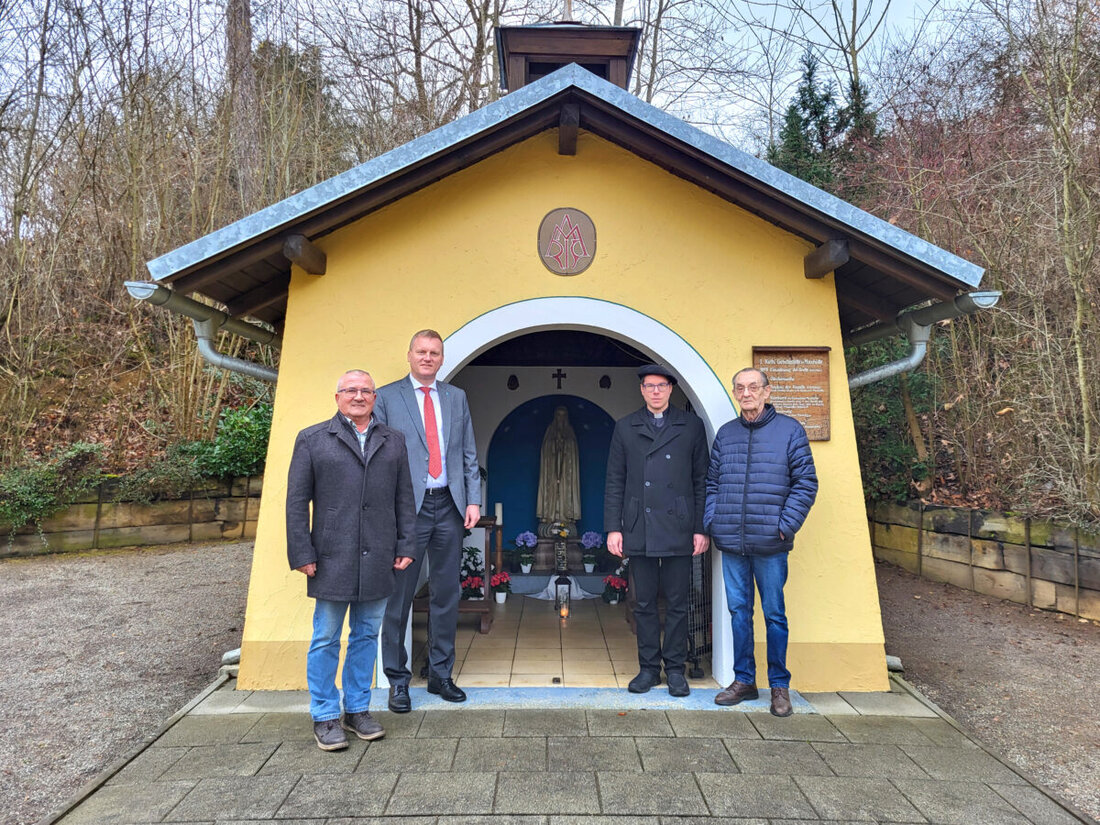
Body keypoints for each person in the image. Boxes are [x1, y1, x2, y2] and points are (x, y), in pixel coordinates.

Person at [286, 369, 417, 751]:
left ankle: (357, 709)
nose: (358, 396)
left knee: (365, 636)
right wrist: (301, 552)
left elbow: (404, 498)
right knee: (325, 638)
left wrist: (406, 544)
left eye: (365, 391)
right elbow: (296, 502)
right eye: (350, 390)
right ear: (337, 396)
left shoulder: (394, 441)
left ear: (375, 398)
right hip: (330, 557)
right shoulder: (312, 439)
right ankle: (325, 715)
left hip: (379, 555)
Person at [375, 329, 481, 711]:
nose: (427, 357)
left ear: (441, 358)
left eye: (434, 352)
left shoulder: (456, 397)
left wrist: (473, 501)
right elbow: (381, 457)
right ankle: (398, 681)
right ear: (409, 355)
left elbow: (468, 452)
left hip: (449, 507)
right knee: (398, 598)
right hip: (408, 511)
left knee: (446, 593)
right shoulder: (386, 397)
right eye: (421, 351)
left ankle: (439, 674)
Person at [704, 367, 818, 717]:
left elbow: (806, 483)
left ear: (767, 392)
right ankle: (744, 681)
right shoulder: (726, 434)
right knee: (739, 613)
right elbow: (712, 484)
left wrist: (785, 526)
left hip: (771, 542)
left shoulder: (790, 431)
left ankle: (779, 686)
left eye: (754, 387)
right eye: (740, 388)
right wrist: (713, 521)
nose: (747, 393)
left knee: (774, 615)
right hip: (733, 542)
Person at [603, 364, 709, 697]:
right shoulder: (625, 427)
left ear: (671, 389)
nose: (655, 391)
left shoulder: (691, 426)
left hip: (678, 523)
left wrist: (700, 527)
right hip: (639, 526)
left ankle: (675, 669)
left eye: (661, 386)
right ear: (642, 390)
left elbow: (702, 480)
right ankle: (649, 668)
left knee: (678, 603)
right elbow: (614, 481)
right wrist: (612, 528)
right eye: (649, 386)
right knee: (644, 603)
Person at [536, 405, 581, 535]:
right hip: (551, 473)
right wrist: (555, 443)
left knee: (566, 494)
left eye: (563, 415)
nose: (560, 419)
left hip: (567, 473)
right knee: (551, 493)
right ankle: (549, 517)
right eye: (558, 415)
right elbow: (545, 449)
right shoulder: (550, 431)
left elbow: (573, 450)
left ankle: (565, 519)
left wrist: (565, 444)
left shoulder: (570, 432)